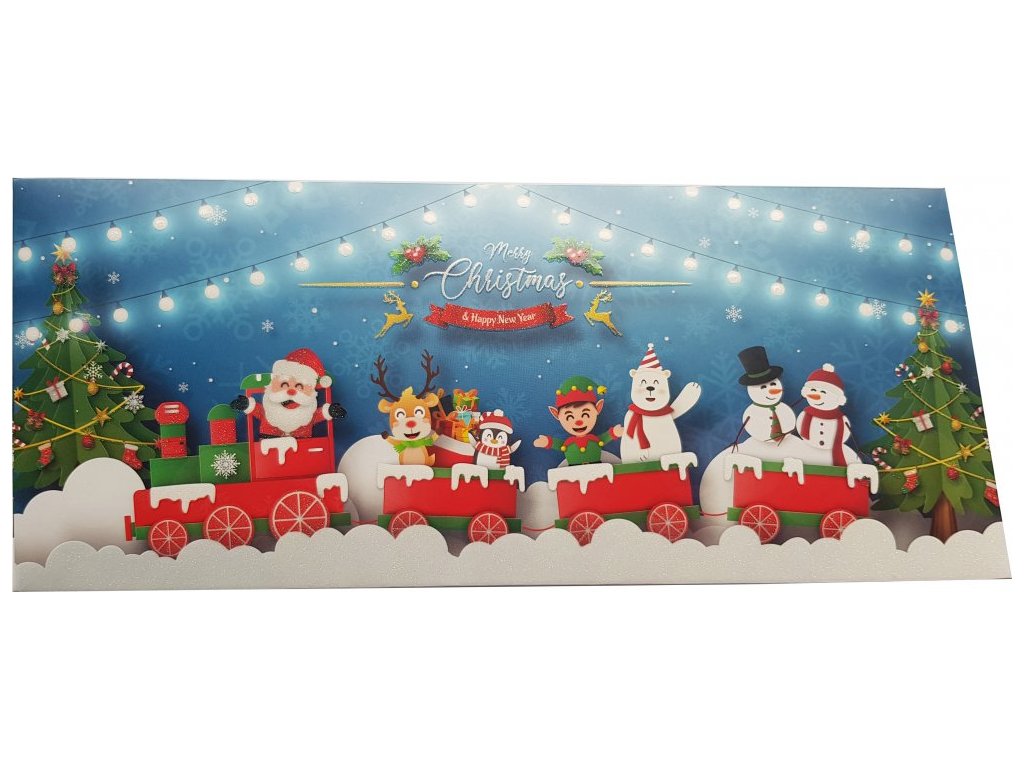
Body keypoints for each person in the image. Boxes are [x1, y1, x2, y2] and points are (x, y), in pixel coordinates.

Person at [534, 375, 622, 465]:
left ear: (598, 408)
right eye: (569, 417)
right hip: (574, 472)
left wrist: (614, 433)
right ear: (556, 414)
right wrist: (548, 442)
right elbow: (559, 444)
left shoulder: (594, 440)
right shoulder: (568, 444)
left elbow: (603, 438)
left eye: (585, 415)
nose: (578, 422)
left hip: (598, 469)